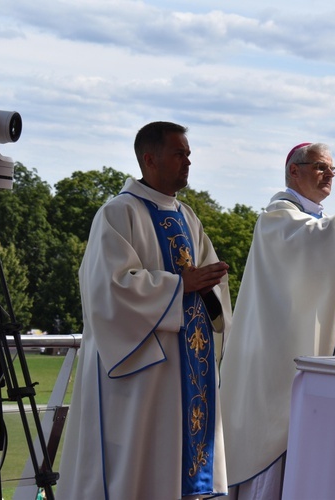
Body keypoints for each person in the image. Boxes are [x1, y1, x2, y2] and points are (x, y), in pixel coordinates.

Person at [57, 122, 233, 499]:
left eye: (188, 154)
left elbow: (206, 281)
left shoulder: (188, 217)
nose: (188, 162)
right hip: (144, 371)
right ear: (149, 159)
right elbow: (109, 288)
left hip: (189, 366)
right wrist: (181, 285)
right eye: (179, 154)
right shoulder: (118, 214)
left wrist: (211, 282)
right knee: (140, 468)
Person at [219, 142, 335, 499]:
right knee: (274, 450)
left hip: (301, 350)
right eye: (320, 167)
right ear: (294, 171)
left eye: (332, 169)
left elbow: (334, 265)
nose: (329, 174)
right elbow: (316, 245)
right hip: (275, 357)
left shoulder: (316, 221)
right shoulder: (277, 217)